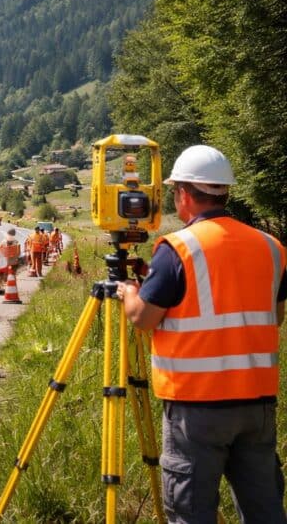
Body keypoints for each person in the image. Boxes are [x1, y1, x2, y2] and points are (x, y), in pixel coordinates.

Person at [117, 145, 287, 524]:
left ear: (183, 194)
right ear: (224, 191)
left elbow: (144, 318)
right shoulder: (270, 247)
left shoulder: (178, 248)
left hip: (197, 407)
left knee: (192, 512)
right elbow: (271, 317)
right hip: (257, 405)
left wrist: (130, 292)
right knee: (265, 510)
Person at [0, 228, 21, 294]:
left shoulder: (3, 241)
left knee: (1, 275)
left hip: (3, 261)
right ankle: (9, 288)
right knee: (11, 275)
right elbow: (18, 253)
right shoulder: (16, 242)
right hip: (12, 262)